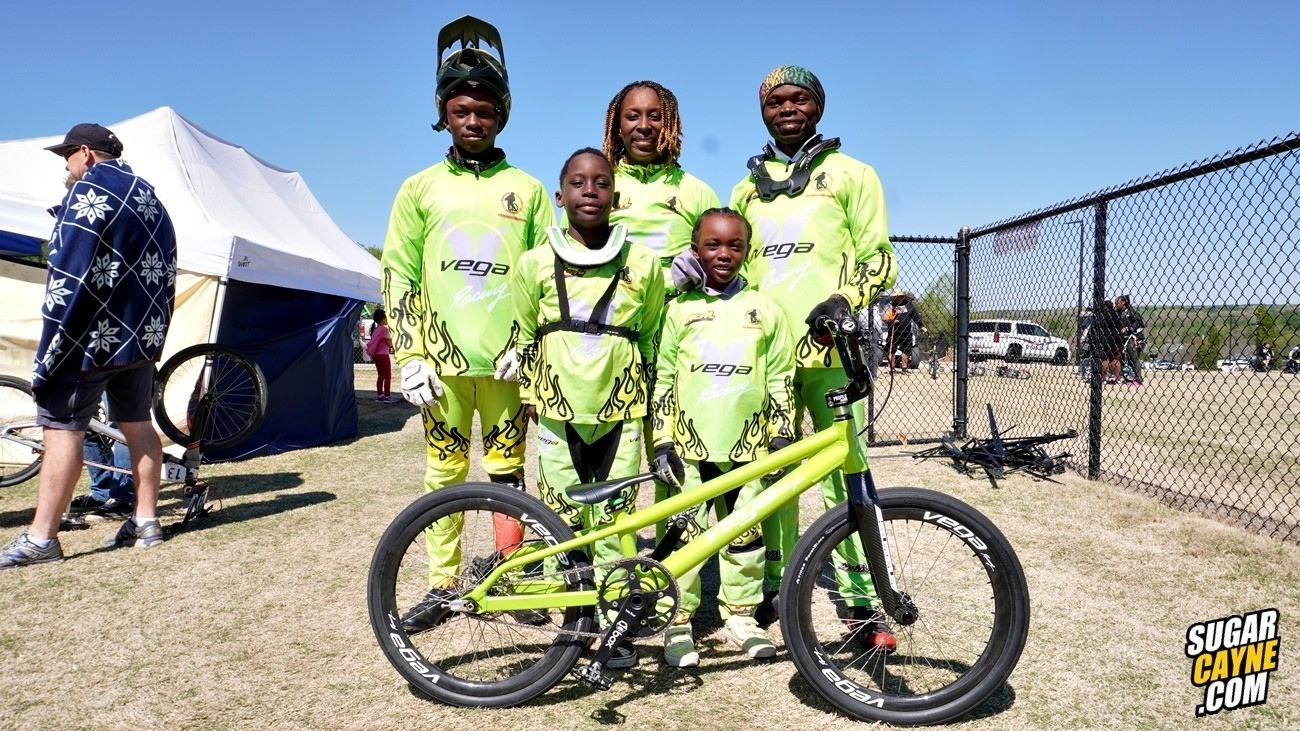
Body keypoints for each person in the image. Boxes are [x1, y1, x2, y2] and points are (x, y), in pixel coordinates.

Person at [381, 16, 553, 630]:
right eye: (461, 111)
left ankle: (513, 576)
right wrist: (409, 355)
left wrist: (528, 347)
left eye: (484, 111)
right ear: (443, 114)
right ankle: (443, 584)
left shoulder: (528, 190)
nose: (473, 120)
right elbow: (399, 272)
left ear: (502, 114)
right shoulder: (419, 188)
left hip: (507, 366)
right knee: (445, 474)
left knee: (508, 473)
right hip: (441, 366)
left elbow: (543, 275)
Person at [728, 65, 897, 644]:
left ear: (818, 107)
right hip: (768, 359)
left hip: (831, 355)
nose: (787, 109)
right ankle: (777, 585)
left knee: (844, 475)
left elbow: (879, 258)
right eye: (775, 102)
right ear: (763, 112)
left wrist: (844, 299)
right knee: (772, 472)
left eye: (799, 99)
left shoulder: (854, 174)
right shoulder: (744, 189)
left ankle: (861, 599)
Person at [510, 148, 666, 669]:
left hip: (621, 411)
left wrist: (652, 407)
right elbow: (525, 332)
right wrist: (532, 396)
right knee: (562, 519)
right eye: (578, 183)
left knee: (617, 521)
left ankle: (615, 622)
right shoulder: (534, 263)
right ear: (560, 197)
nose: (590, 191)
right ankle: (577, 622)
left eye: (601, 183)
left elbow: (650, 333)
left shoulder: (643, 264)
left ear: (615, 197)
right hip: (558, 412)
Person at [2, 123, 177, 569]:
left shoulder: (89, 192)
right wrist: (153, 332)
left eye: (67, 157)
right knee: (137, 424)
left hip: (90, 340)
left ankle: (42, 538)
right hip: (140, 337)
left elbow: (68, 271)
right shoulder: (151, 199)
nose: (66, 167)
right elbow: (165, 271)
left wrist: (55, 340)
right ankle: (146, 521)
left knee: (62, 430)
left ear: (85, 152)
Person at [650, 208, 796, 667]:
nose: (723, 254)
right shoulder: (679, 309)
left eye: (735, 245)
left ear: (747, 251)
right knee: (684, 538)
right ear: (695, 249)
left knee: (744, 538)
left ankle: (741, 615)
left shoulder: (765, 310)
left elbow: (780, 377)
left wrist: (780, 434)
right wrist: (662, 440)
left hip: (746, 451)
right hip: (689, 452)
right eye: (712, 244)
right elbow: (664, 378)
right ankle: (677, 620)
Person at [882, 287, 927, 372]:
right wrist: (891, 321)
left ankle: (904, 368)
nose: (895, 298)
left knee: (906, 350)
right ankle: (892, 368)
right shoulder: (890, 305)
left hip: (906, 331)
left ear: (902, 297)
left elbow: (915, 316)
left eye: (897, 297)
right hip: (894, 331)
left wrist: (921, 326)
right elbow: (884, 318)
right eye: (894, 297)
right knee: (892, 350)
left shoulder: (909, 305)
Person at [366, 309, 396, 402]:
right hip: (383, 355)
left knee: (381, 375)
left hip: (376, 355)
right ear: (383, 319)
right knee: (387, 375)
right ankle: (387, 396)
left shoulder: (376, 329)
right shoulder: (384, 329)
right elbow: (390, 343)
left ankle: (380, 395)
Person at [1115, 294, 1145, 385]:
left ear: (1123, 302)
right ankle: (1121, 376)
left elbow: (1139, 323)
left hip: (1130, 337)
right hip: (1120, 338)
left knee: (1133, 357)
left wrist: (1128, 328)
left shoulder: (1131, 312)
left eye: (1117, 303)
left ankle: (1138, 377)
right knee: (1119, 358)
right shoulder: (1117, 313)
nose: (1116, 305)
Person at [1093, 299, 1123, 384]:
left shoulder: (1102, 315)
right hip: (1117, 335)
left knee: (1105, 358)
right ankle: (1118, 379)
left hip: (1106, 335)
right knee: (1115, 358)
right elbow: (1121, 325)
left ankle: (1104, 379)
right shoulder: (1117, 314)